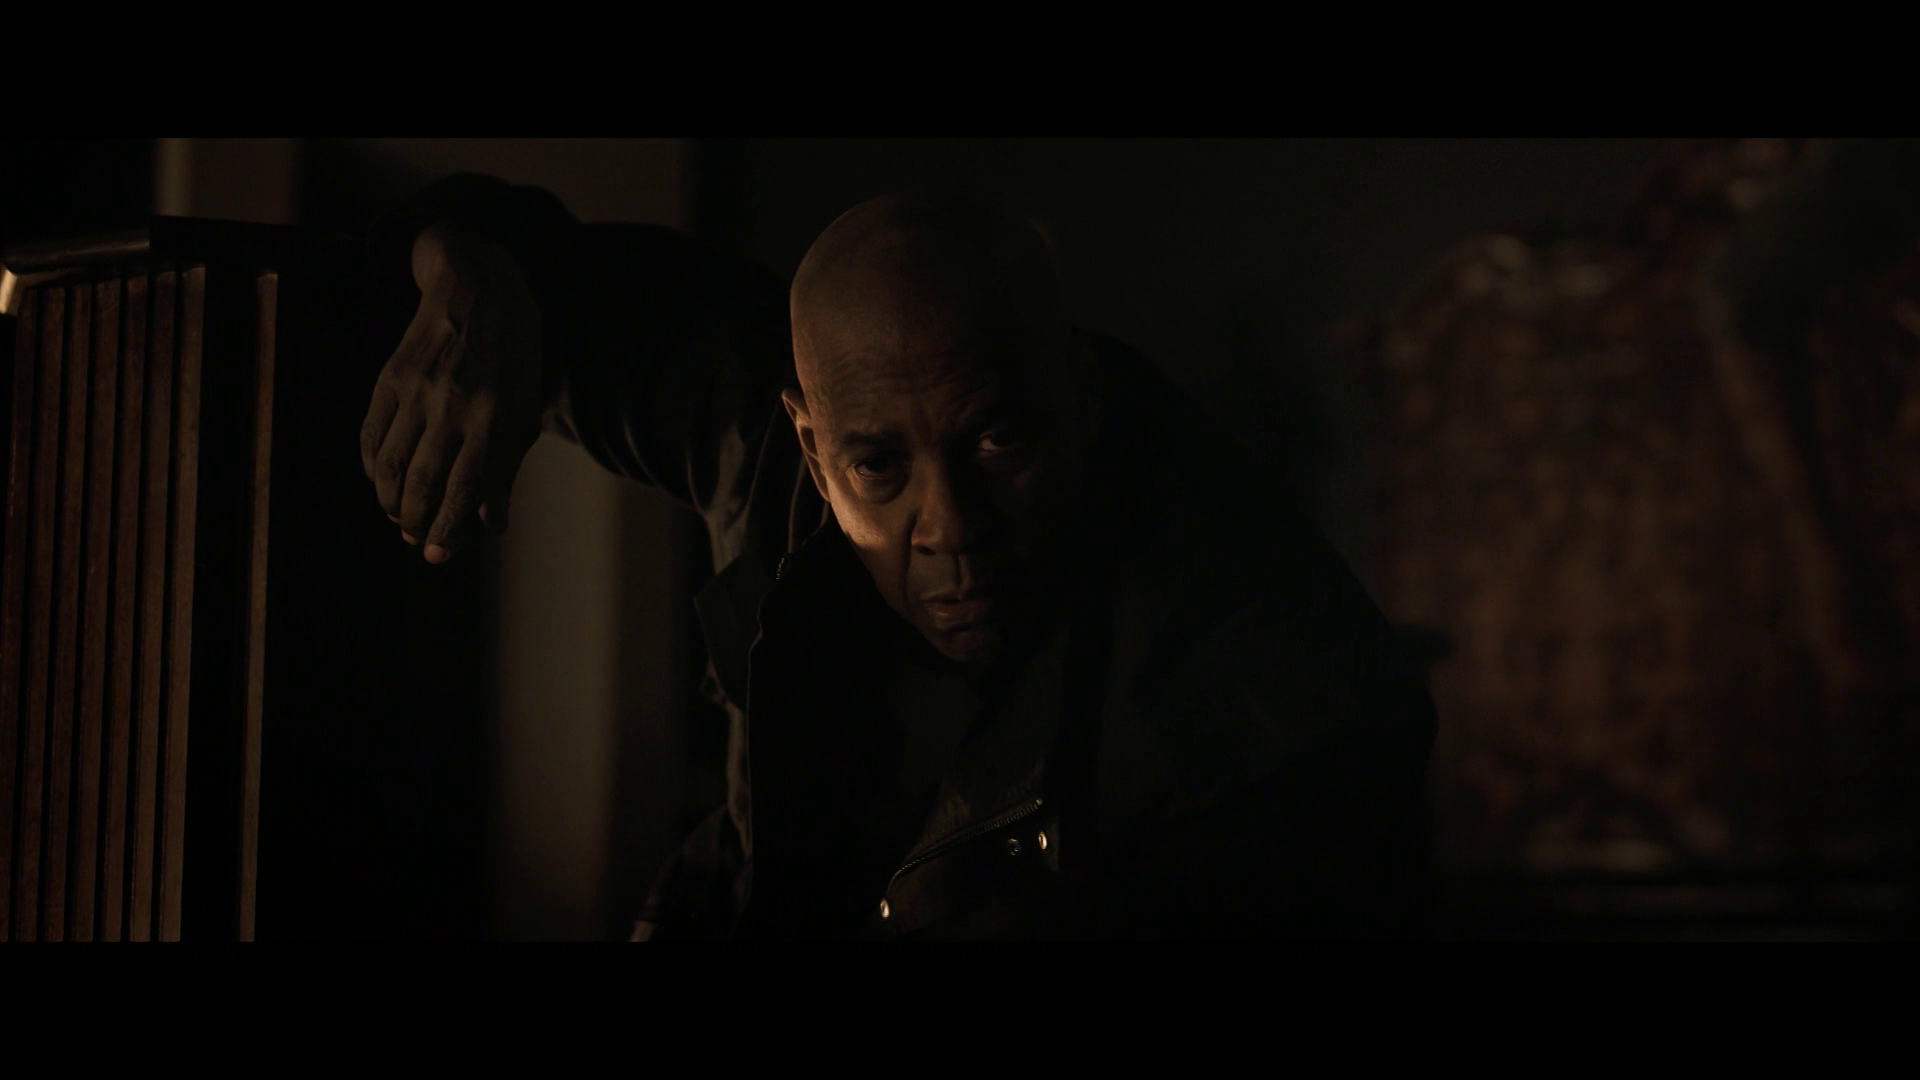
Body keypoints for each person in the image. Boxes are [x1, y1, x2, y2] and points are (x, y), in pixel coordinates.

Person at [357, 176, 1437, 939]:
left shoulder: (1269, 697)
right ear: (811, 446)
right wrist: (466, 276)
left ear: (1080, 399)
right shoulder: (759, 431)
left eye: (999, 442)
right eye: (879, 466)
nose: (950, 525)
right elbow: (508, 257)